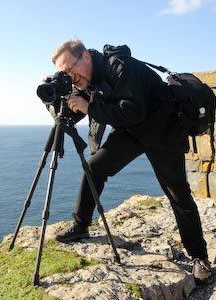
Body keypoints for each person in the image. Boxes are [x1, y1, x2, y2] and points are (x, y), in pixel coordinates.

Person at [49, 39, 213, 284]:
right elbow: (72, 115)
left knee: (178, 194)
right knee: (95, 168)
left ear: (85, 57)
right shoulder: (85, 79)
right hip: (132, 131)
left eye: (70, 69)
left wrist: (89, 107)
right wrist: (52, 97)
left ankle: (200, 258)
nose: (70, 77)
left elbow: (132, 110)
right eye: (64, 73)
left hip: (162, 130)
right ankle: (81, 225)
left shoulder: (122, 67)